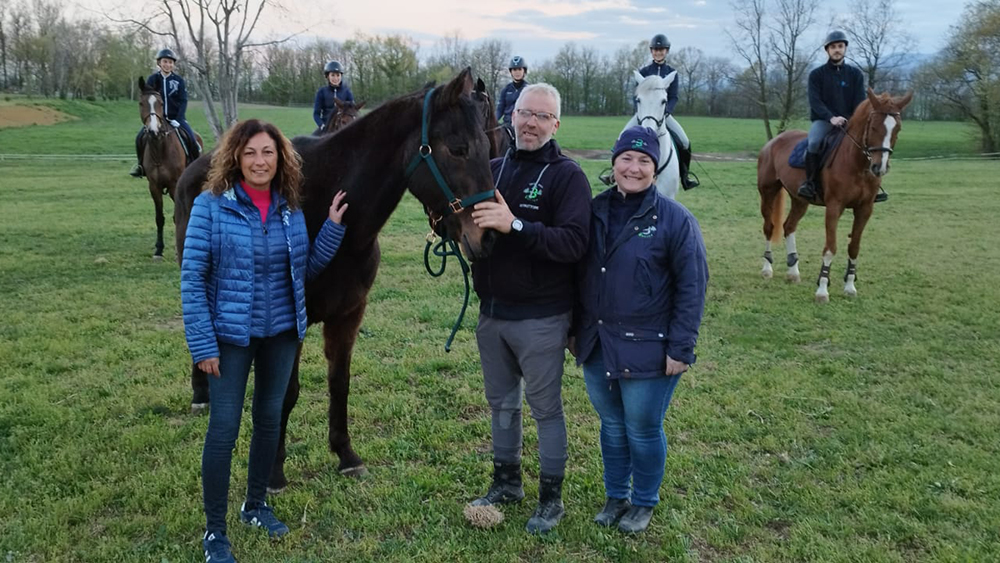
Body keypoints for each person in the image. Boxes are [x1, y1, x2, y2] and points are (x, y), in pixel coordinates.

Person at [181, 119, 348, 563]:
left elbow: (304, 271)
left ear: (281, 158)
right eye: (251, 152)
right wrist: (202, 345)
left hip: (280, 336)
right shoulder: (209, 207)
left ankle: (256, 504)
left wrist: (330, 228)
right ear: (235, 156)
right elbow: (192, 279)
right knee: (223, 431)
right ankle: (215, 532)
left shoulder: (289, 208)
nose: (260, 161)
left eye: (268, 152)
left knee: (269, 421)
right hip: (230, 338)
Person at [468, 83, 592, 534]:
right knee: (501, 404)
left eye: (541, 116)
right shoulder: (493, 170)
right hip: (492, 313)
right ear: (512, 115)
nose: (530, 123)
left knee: (546, 410)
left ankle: (550, 499)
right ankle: (506, 482)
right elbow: (478, 233)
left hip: (542, 317)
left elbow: (575, 243)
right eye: (524, 113)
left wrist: (515, 224)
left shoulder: (568, 176)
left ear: (556, 124)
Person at [572, 126, 708, 534]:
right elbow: (574, 274)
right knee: (611, 426)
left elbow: (692, 286)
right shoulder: (592, 212)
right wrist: (573, 329)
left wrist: (681, 348)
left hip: (651, 346)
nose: (634, 168)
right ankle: (616, 496)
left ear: (656, 167)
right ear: (613, 164)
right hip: (597, 342)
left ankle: (644, 501)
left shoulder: (675, 220)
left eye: (644, 161)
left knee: (643, 428)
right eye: (626, 159)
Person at [798, 31, 885, 203]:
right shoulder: (816, 75)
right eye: (833, 47)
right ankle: (810, 184)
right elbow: (815, 102)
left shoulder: (855, 74)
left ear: (845, 48)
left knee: (868, 144)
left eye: (840, 46)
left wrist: (854, 120)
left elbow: (860, 102)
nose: (837, 50)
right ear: (827, 50)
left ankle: (872, 186)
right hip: (824, 121)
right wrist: (831, 118)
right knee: (814, 142)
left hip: (849, 122)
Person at [638, 34, 699, 190]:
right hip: (644, 114)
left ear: (666, 51)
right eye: (656, 50)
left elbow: (673, 97)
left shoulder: (672, 73)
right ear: (651, 51)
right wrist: (641, 112)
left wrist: (666, 111)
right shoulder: (644, 72)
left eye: (661, 50)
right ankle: (613, 172)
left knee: (684, 142)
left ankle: (685, 176)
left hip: (664, 115)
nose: (658, 52)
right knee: (620, 138)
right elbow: (637, 96)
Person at [129, 48, 201, 177]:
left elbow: (183, 100)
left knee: (192, 139)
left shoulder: (178, 80)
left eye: (170, 62)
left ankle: (194, 167)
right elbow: (148, 98)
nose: (168, 65)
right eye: (165, 61)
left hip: (176, 119)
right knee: (139, 138)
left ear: (173, 65)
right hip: (156, 119)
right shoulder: (152, 79)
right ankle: (140, 165)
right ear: (159, 63)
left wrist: (178, 119)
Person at [313, 61, 355, 130]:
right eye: (332, 75)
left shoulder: (347, 92)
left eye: (338, 75)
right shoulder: (321, 92)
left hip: (342, 127)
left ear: (341, 76)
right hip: (326, 126)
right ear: (328, 76)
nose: (335, 78)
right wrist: (322, 125)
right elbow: (316, 114)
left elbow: (352, 110)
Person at [495, 56, 529, 133]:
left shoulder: (529, 90)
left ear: (524, 71)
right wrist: (493, 120)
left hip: (522, 125)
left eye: (519, 69)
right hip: (507, 124)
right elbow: (500, 109)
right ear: (511, 72)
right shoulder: (506, 90)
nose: (517, 72)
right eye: (514, 69)